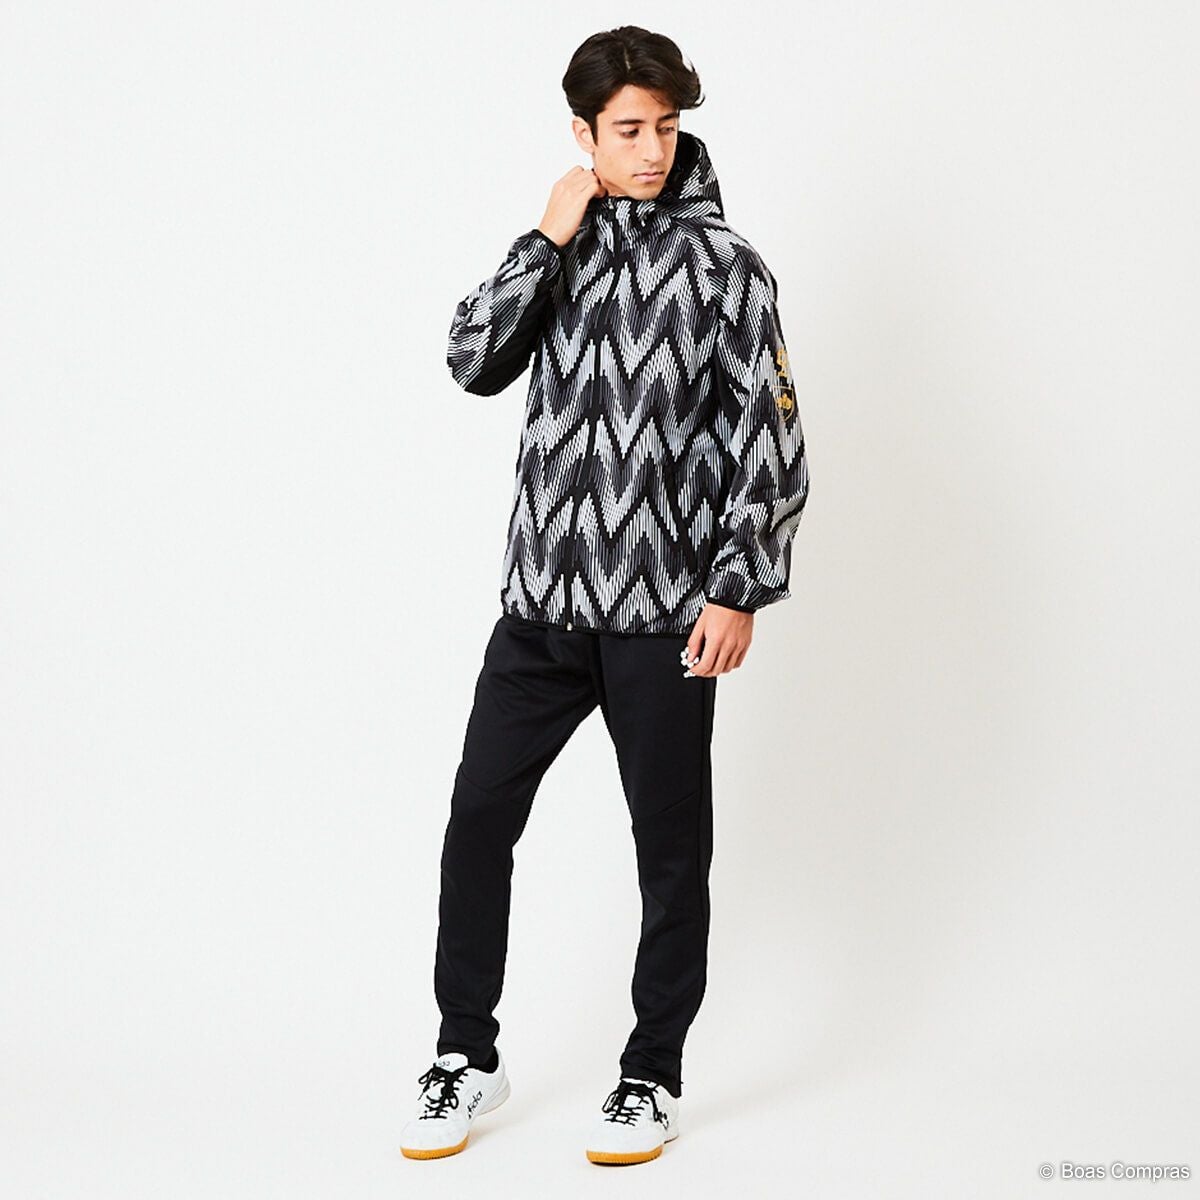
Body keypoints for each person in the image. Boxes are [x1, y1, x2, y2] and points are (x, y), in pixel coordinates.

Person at [400, 24, 810, 1166]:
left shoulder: (727, 268)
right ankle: (464, 1056)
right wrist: (545, 235)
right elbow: (471, 362)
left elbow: (772, 441)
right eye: (628, 129)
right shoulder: (561, 249)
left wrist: (736, 588)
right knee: (478, 822)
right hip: (539, 610)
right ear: (583, 134)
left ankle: (650, 1074)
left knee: (670, 854)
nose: (651, 149)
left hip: (664, 619)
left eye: (666, 127)